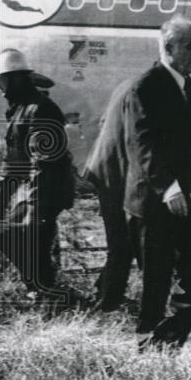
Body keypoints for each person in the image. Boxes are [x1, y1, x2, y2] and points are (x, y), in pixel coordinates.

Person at [123, 16, 191, 349]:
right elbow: (141, 146)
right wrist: (169, 187)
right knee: (155, 281)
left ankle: (167, 338)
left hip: (185, 199)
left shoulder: (188, 86)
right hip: (152, 202)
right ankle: (146, 343)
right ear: (168, 47)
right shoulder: (145, 87)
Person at [0, 48, 87, 313]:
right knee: (7, 236)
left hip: (46, 193)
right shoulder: (20, 110)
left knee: (34, 245)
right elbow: (11, 164)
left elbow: (43, 165)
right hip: (31, 193)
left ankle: (47, 299)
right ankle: (41, 291)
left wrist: (33, 209)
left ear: (13, 78)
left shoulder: (41, 110)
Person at [82, 79, 133, 312]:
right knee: (122, 243)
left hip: (107, 172)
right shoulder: (143, 90)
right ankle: (107, 302)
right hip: (114, 176)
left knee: (122, 242)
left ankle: (105, 290)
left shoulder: (127, 86)